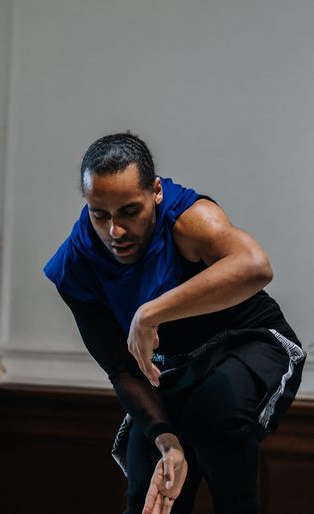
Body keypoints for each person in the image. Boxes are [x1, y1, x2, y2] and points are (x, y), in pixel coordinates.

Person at [43, 133, 305, 514]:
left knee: (213, 415)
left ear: (156, 193)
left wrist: (150, 312)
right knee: (149, 480)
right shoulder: (76, 265)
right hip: (171, 371)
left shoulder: (189, 221)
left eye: (130, 211)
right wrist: (167, 441)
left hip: (250, 340)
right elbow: (121, 369)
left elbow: (255, 267)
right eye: (100, 214)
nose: (115, 232)